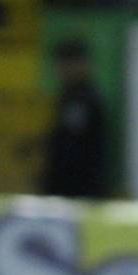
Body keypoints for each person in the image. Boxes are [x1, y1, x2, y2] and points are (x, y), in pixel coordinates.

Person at [41, 38, 109, 198]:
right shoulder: (72, 95)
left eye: (65, 63)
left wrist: (53, 181)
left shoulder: (83, 99)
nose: (60, 70)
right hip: (73, 187)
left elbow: (71, 144)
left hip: (79, 189)